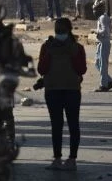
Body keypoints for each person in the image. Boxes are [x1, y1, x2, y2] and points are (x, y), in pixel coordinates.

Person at [37, 17, 87, 171]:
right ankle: (61, 159)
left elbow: (81, 69)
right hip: (62, 90)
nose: (59, 33)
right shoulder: (48, 47)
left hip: (62, 90)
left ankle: (69, 159)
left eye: (61, 30)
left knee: (65, 125)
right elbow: (42, 69)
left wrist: (70, 52)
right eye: (57, 30)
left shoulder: (76, 48)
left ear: (68, 31)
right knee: (62, 125)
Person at [92, 0, 112, 92]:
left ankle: (104, 85)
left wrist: (96, 31)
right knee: (97, 63)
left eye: (96, 9)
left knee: (103, 65)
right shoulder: (102, 17)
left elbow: (106, 31)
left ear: (100, 9)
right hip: (100, 42)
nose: (94, 11)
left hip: (104, 42)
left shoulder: (103, 18)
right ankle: (109, 81)